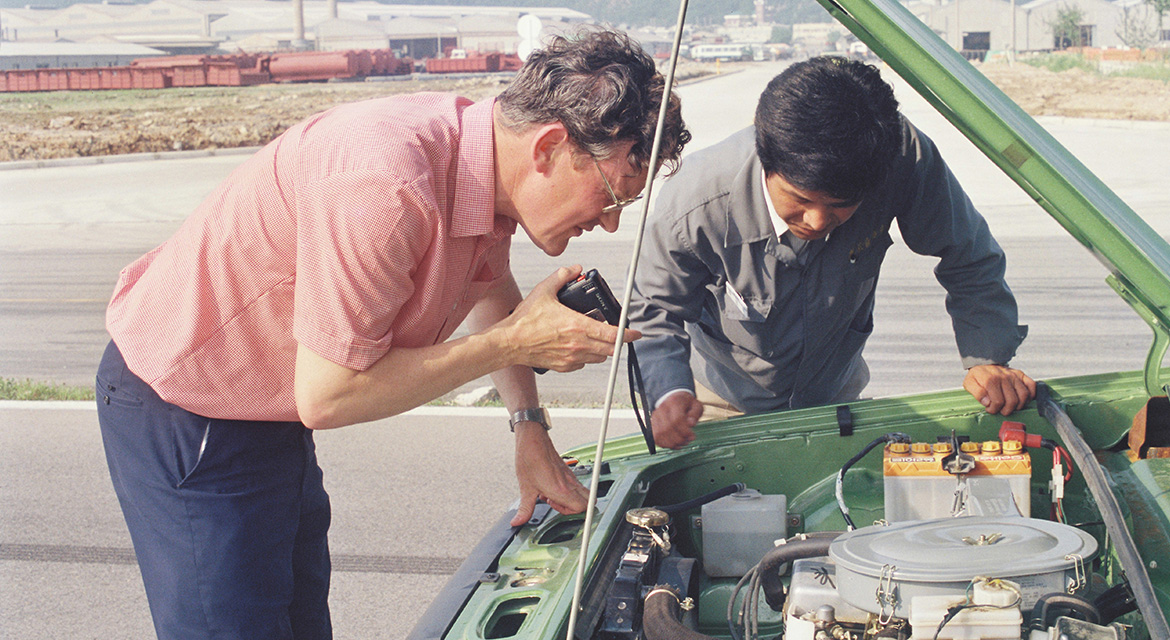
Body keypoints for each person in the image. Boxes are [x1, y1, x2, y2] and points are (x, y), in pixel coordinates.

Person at [95, 28, 689, 639]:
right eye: (613, 196)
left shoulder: (481, 167)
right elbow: (329, 395)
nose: (611, 224)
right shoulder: (383, 187)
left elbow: (488, 284)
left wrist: (529, 429)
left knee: (297, 622)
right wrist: (513, 344)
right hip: (186, 405)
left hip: (267, 411)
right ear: (549, 148)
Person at [629, 56, 1035, 450]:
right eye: (800, 199)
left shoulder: (898, 155)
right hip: (718, 404)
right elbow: (653, 308)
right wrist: (668, 391)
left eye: (842, 204)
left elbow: (967, 252)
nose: (818, 220)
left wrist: (988, 356)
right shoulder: (694, 203)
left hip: (834, 402)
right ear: (766, 159)